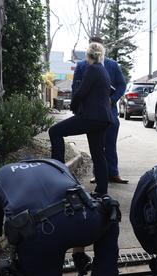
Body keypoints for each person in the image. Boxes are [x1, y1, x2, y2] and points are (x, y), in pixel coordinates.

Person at [50, 41, 113, 195]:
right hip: (103, 119)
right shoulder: (103, 70)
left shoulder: (92, 69)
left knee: (55, 132)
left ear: (87, 56)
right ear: (101, 55)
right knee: (98, 154)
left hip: (91, 117)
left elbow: (81, 92)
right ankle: (102, 192)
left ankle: (58, 175)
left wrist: (73, 105)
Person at [72, 36, 128, 185]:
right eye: (93, 47)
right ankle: (98, 174)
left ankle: (114, 173)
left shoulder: (113, 65)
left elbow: (122, 85)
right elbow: (76, 88)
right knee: (97, 145)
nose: (96, 51)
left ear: (103, 49)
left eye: (98, 47)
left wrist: (112, 99)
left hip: (110, 112)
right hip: (91, 114)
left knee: (110, 143)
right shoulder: (82, 66)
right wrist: (78, 109)